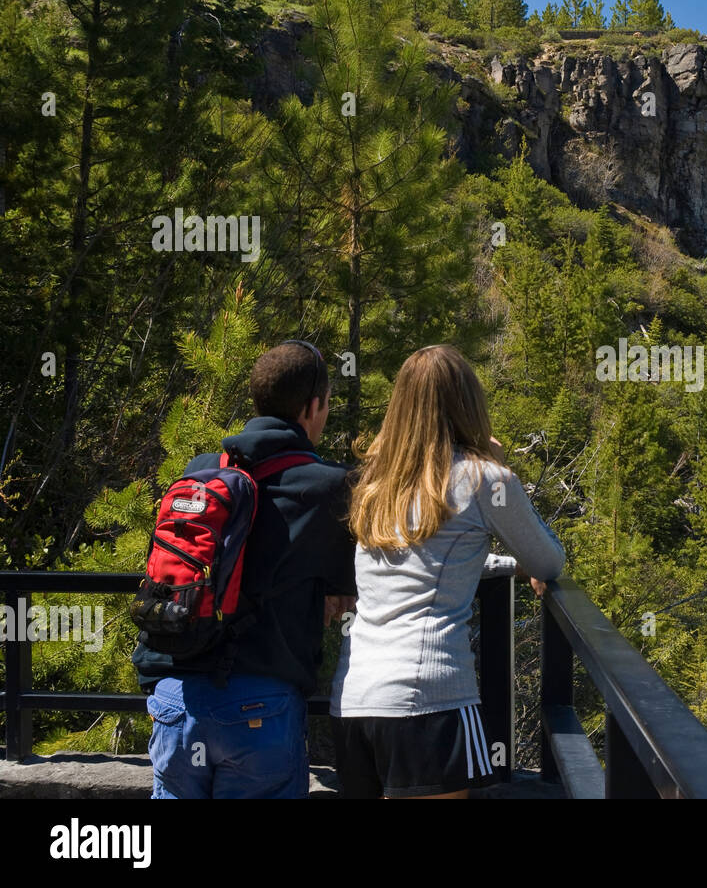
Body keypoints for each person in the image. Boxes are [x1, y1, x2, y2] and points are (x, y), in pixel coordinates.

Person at [330, 345, 565, 799]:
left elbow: (420, 560)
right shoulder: (483, 479)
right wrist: (500, 466)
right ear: (469, 404)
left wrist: (498, 564)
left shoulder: (376, 483)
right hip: (428, 702)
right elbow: (548, 560)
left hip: (355, 700)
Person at [133, 340, 356, 798]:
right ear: (312, 406)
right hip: (259, 707)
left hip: (175, 698)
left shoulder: (201, 472)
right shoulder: (331, 487)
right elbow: (352, 586)